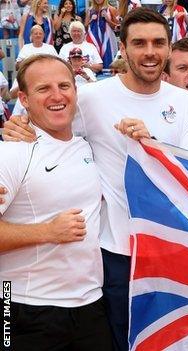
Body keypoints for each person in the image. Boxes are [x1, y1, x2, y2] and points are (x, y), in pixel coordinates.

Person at [2, 8, 188, 351]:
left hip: (119, 281)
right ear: (122, 48)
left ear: (169, 48)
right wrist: (15, 127)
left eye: (158, 42)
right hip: (42, 290)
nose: (149, 51)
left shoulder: (183, 103)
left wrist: (154, 145)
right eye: (139, 43)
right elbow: (49, 119)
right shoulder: (84, 105)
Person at [0, 54, 112, 351]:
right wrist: (47, 232)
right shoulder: (12, 152)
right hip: (21, 305)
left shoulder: (85, 144)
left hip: (89, 304)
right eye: (43, 89)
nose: (57, 95)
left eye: (64, 85)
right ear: (23, 98)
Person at [85, 0, 119, 68]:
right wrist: (91, 20)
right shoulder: (90, 10)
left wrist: (107, 19)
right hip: (94, 38)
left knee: (108, 58)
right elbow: (85, 26)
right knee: (94, 57)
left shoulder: (111, 9)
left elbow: (117, 27)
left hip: (107, 39)